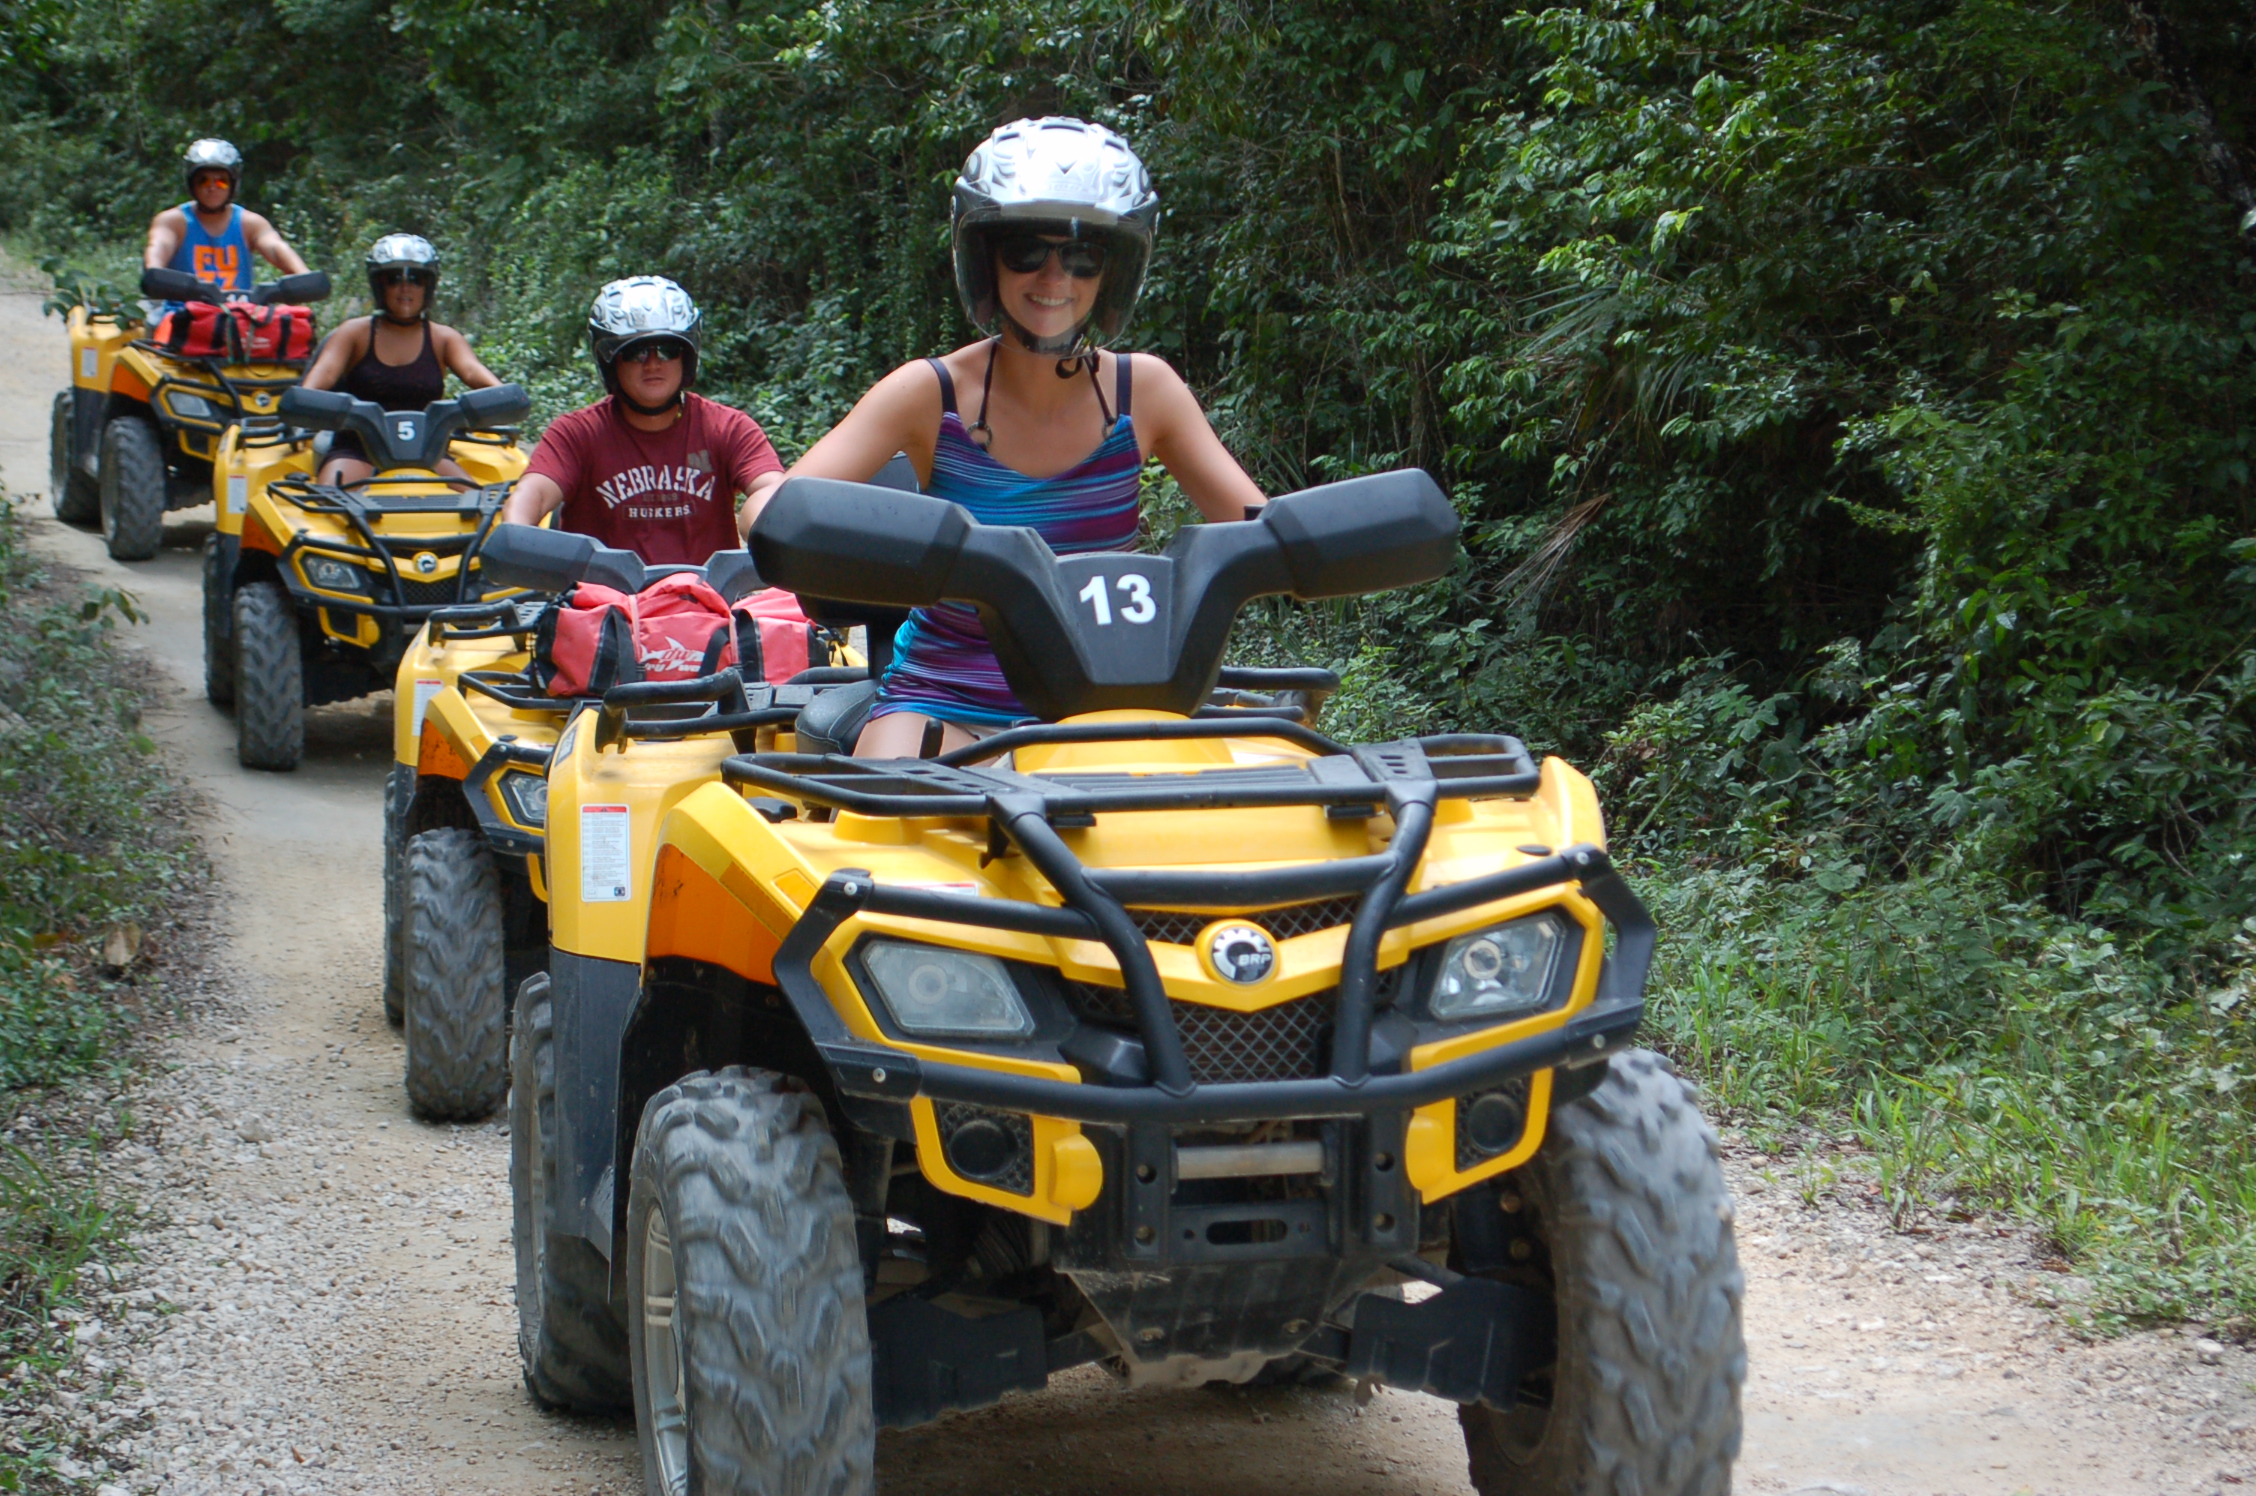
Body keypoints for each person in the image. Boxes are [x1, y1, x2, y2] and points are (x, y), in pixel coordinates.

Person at [777, 116, 1266, 757]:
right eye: (1026, 252)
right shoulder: (930, 393)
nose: (1054, 278)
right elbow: (774, 509)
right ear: (987, 259)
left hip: (1109, 702)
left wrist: (1331, 539)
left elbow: (1261, 529)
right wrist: (885, 543)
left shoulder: (1144, 392)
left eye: (1083, 256)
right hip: (945, 698)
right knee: (894, 816)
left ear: (1111, 271)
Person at [499, 277, 785, 566]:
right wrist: (516, 536)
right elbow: (533, 493)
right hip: (603, 605)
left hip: (711, 604)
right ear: (611, 361)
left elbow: (772, 489)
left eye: (667, 350)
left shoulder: (728, 428)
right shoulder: (576, 433)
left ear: (686, 357)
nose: (652, 363)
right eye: (635, 352)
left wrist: (774, 526)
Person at [300, 235, 501, 485]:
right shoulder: (354, 334)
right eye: (395, 279)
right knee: (329, 505)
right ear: (379, 285)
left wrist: (503, 399)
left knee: (480, 505)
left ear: (428, 286)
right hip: (358, 450)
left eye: (416, 279)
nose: (406, 288)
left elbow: (474, 373)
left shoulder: (444, 339)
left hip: (426, 451)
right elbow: (322, 376)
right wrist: (303, 402)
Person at [143, 139, 307, 306]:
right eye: (203, 180)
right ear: (192, 183)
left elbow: (275, 247)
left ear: (233, 184)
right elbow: (159, 246)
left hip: (239, 320)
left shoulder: (250, 224)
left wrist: (304, 276)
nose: (213, 187)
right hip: (181, 320)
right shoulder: (173, 221)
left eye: (222, 181)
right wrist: (154, 272)